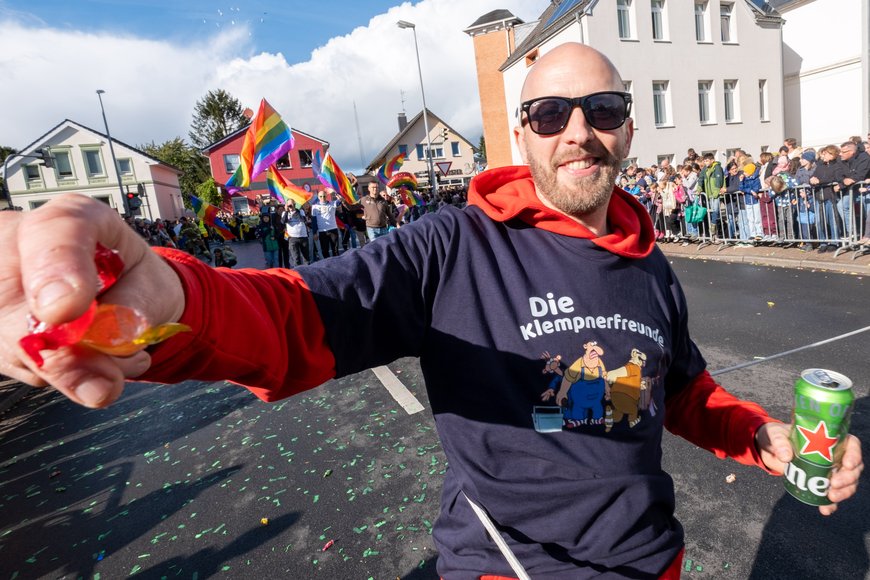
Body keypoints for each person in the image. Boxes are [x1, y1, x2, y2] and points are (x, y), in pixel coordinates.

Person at [0, 43, 860, 580]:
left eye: (604, 111)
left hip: (648, 560)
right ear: (521, 133)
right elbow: (299, 318)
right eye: (550, 112)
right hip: (510, 567)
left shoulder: (650, 264)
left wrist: (764, 437)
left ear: (628, 130)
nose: (579, 132)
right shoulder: (452, 247)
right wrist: (174, 298)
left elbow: (678, 393)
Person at [310, 189, 341, 258]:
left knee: (335, 250)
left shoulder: (332, 203)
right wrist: (315, 233)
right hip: (322, 232)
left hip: (333, 229)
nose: (322, 198)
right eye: (320, 196)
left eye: (324, 196)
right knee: (325, 251)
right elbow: (314, 221)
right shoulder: (314, 207)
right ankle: (327, 267)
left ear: (326, 196)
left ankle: (336, 267)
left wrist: (335, 192)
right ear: (318, 197)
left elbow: (341, 199)